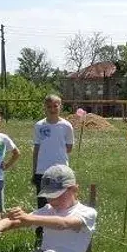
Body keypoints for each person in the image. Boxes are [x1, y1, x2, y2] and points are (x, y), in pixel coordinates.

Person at [33, 94, 75, 241]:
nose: (52, 109)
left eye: (55, 106)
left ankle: (59, 233)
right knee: (43, 205)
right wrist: (34, 171)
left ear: (60, 106)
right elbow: (36, 149)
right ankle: (41, 236)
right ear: (44, 108)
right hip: (42, 171)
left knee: (62, 202)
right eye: (49, 106)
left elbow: (69, 148)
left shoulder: (66, 126)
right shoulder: (39, 126)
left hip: (61, 172)